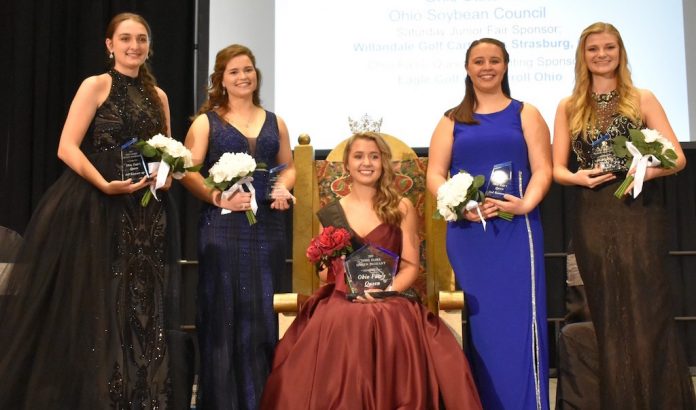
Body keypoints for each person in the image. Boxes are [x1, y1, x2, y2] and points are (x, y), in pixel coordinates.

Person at [0, 12, 185, 409]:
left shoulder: (160, 96)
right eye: (126, 39)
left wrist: (166, 176)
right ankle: (105, 397)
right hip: (99, 208)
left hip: (147, 213)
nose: (134, 46)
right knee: (106, 303)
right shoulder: (97, 85)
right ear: (109, 45)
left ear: (149, 45)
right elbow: (66, 146)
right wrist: (102, 184)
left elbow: (170, 153)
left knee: (146, 303)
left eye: (141, 39)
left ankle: (145, 396)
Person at [260, 131, 482, 410]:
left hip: (390, 296)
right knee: (341, 318)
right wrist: (337, 271)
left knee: (387, 316)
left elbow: (411, 266)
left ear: (383, 163)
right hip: (342, 297)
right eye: (359, 156)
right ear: (347, 165)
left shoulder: (401, 207)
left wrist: (386, 291)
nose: (367, 163)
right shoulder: (331, 213)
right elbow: (321, 274)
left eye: (374, 156)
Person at [552, 22, 695, 408]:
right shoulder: (568, 106)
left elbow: (677, 158)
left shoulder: (641, 98)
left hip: (639, 212)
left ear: (620, 52)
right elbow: (556, 169)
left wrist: (647, 171)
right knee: (608, 313)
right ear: (583, 56)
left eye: (609, 48)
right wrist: (577, 177)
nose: (602, 55)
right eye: (593, 49)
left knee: (648, 308)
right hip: (593, 215)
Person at [427, 38, 552, 409]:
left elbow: (543, 168)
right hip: (469, 236)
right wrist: (460, 202)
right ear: (467, 68)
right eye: (479, 61)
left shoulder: (525, 112)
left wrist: (527, 201)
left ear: (506, 66)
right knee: (483, 329)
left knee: (520, 323)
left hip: (517, 230)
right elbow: (434, 174)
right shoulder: (451, 120)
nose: (487, 67)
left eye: (494, 60)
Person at [181, 44, 295, 409]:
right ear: (221, 80)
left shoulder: (275, 121)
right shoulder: (206, 122)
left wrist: (282, 187)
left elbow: (288, 165)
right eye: (234, 71)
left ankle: (265, 400)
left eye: (248, 69)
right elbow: (186, 170)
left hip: (270, 226)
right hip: (223, 227)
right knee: (225, 313)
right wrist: (218, 198)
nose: (243, 76)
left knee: (265, 311)